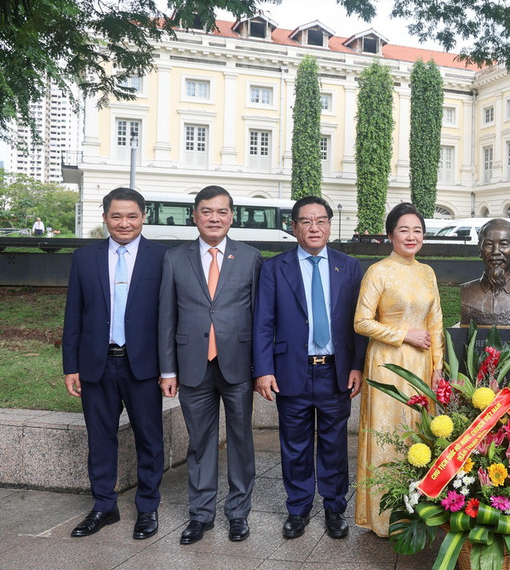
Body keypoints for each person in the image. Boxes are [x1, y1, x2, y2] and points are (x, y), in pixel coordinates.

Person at [253, 196, 367, 540]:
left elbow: (358, 323)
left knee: (334, 444)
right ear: (294, 227)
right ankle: (298, 509)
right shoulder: (275, 267)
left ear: (330, 226)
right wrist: (263, 369)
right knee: (295, 445)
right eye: (306, 221)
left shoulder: (349, 266)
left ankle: (334, 509)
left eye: (320, 221)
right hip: (292, 370)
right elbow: (263, 322)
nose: (314, 227)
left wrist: (358, 365)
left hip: (336, 370)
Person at [158, 185, 262, 545]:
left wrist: (262, 368)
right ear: (195, 215)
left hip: (238, 365)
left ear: (232, 216)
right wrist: (168, 371)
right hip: (192, 366)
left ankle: (238, 514)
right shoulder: (174, 258)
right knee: (200, 443)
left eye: (221, 211)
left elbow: (260, 318)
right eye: (206, 211)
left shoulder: (250, 257)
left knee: (240, 440)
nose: (214, 218)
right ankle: (200, 515)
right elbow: (166, 318)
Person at [62, 188, 167, 540]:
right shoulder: (85, 258)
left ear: (143, 217)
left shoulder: (162, 257)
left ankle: (147, 507)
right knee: (100, 438)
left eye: (132, 216)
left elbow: (170, 318)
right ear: (105, 217)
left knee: (150, 439)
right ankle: (104, 506)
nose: (125, 223)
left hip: (144, 367)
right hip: (97, 364)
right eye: (117, 216)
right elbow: (73, 315)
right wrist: (70, 365)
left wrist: (170, 369)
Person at [354, 203, 444, 537]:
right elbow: (361, 321)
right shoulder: (378, 272)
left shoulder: (427, 272)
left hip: (421, 365)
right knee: (386, 433)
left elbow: (435, 323)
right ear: (390, 234)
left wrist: (438, 365)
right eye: (404, 230)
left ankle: (417, 511)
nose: (411, 236)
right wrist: (403, 334)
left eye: (417, 230)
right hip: (388, 364)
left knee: (419, 433)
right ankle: (381, 516)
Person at [459, 218, 510, 327]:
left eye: (503, 244)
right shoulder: (466, 292)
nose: (496, 251)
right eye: (489, 244)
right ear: (480, 249)